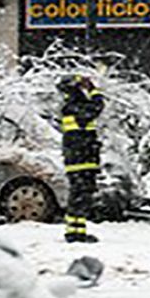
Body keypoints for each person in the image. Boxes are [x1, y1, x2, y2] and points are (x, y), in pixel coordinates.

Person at [58, 74, 104, 243]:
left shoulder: (71, 105)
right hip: (81, 159)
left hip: (80, 158)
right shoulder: (76, 106)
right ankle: (74, 233)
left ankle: (77, 231)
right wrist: (94, 91)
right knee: (80, 196)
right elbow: (97, 107)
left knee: (80, 196)